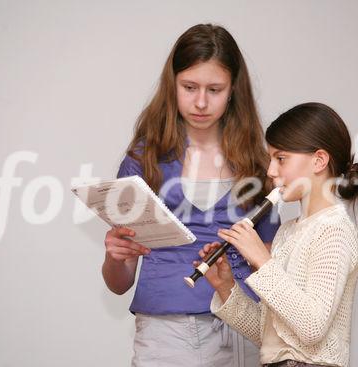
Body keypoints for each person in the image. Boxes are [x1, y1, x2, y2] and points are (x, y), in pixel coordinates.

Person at [101, 24, 280, 366]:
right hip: (168, 333)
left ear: (233, 91)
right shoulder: (145, 160)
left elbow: (270, 263)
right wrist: (114, 257)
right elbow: (119, 282)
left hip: (247, 327)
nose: (200, 102)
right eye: (189, 87)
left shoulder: (257, 162)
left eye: (214, 89)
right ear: (173, 86)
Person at [199, 102, 358, 367]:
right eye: (271, 159)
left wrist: (263, 262)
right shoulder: (287, 232)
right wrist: (225, 286)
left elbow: (311, 327)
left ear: (319, 160)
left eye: (281, 158)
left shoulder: (334, 229)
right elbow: (274, 337)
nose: (271, 171)